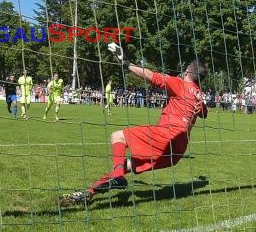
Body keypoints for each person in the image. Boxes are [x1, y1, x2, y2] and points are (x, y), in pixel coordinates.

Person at [59, 43, 208, 206]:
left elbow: (152, 76)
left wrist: (126, 63)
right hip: (177, 151)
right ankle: (89, 192)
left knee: (117, 136)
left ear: (186, 72)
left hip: (166, 136)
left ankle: (117, 178)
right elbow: (204, 113)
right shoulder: (199, 96)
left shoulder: (180, 84)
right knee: (124, 165)